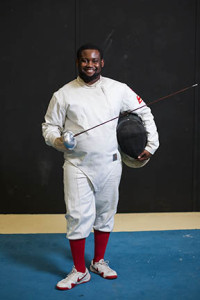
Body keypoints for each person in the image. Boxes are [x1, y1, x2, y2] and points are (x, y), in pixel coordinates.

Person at [42, 44, 159, 290]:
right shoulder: (63, 94)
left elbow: (144, 111)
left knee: (105, 214)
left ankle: (98, 261)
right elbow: (49, 126)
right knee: (77, 216)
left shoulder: (118, 89)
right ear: (78, 63)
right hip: (77, 164)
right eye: (85, 61)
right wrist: (59, 140)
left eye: (94, 60)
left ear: (102, 63)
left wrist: (151, 144)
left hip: (110, 163)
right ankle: (79, 270)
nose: (90, 65)